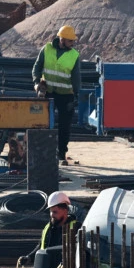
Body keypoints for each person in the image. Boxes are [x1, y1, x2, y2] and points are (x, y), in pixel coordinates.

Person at [32, 24, 81, 164]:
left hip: (66, 95)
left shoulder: (74, 55)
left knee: (64, 126)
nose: (72, 43)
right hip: (47, 93)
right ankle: (44, 153)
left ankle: (61, 154)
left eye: (73, 41)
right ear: (62, 39)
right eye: (70, 41)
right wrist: (37, 84)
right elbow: (37, 67)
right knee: (44, 124)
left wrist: (76, 96)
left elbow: (76, 77)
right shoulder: (47, 49)